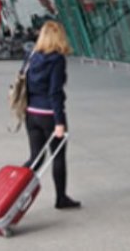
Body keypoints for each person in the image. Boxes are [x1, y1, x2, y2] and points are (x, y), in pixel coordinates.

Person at [24, 21, 80, 209]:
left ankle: (15, 184)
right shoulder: (56, 59)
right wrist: (59, 122)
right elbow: (54, 92)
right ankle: (61, 198)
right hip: (49, 114)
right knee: (58, 157)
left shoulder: (31, 56)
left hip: (31, 113)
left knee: (36, 158)